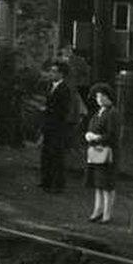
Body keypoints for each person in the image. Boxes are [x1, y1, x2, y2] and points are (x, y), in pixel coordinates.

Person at [84, 83, 119, 223]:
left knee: (107, 185)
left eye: (102, 96)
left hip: (108, 153)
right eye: (98, 96)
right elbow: (91, 127)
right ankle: (97, 210)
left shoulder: (112, 113)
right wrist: (88, 135)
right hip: (96, 152)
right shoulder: (99, 112)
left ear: (108, 97)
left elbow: (112, 135)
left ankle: (107, 214)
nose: (99, 99)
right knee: (98, 183)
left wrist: (96, 137)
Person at [40, 61, 72, 193]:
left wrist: (47, 109)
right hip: (49, 125)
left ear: (61, 74)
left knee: (56, 155)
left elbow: (63, 110)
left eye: (54, 71)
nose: (51, 74)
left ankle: (57, 185)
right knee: (46, 153)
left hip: (57, 126)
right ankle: (46, 181)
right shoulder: (50, 86)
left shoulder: (64, 89)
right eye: (51, 71)